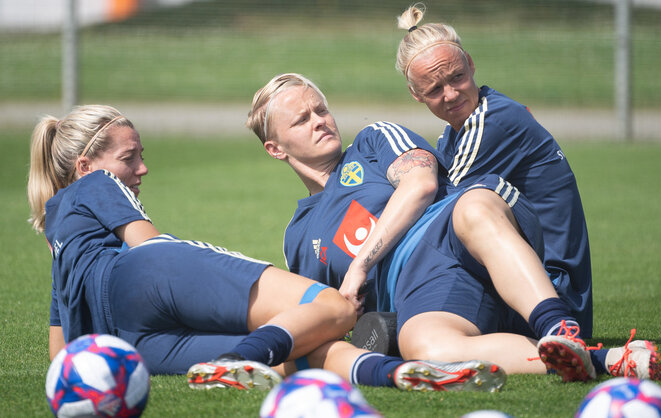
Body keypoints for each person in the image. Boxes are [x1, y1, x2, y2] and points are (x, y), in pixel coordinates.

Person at [27, 104, 508, 392]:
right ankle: (247, 354)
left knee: (292, 351)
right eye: (130, 158)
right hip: (148, 278)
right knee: (332, 306)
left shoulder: (57, 233)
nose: (142, 170)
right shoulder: (92, 185)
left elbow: (59, 352)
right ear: (87, 165)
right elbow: (146, 249)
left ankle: (396, 375)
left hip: (131, 344)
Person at [246, 73, 661, 382]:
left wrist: (358, 266)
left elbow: (422, 183)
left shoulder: (373, 141)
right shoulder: (297, 236)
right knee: (426, 348)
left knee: (473, 207)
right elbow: (319, 316)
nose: (319, 120)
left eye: (321, 109)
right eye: (302, 120)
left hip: (453, 231)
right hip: (423, 292)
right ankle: (598, 360)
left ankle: (557, 324)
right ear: (276, 149)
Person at [394, 4, 594, 339]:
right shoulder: (454, 133)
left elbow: (434, 218)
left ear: (470, 64)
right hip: (523, 289)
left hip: (549, 295)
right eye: (434, 89)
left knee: (448, 222)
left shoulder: (494, 120)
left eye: (457, 77)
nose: (451, 94)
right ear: (416, 95)